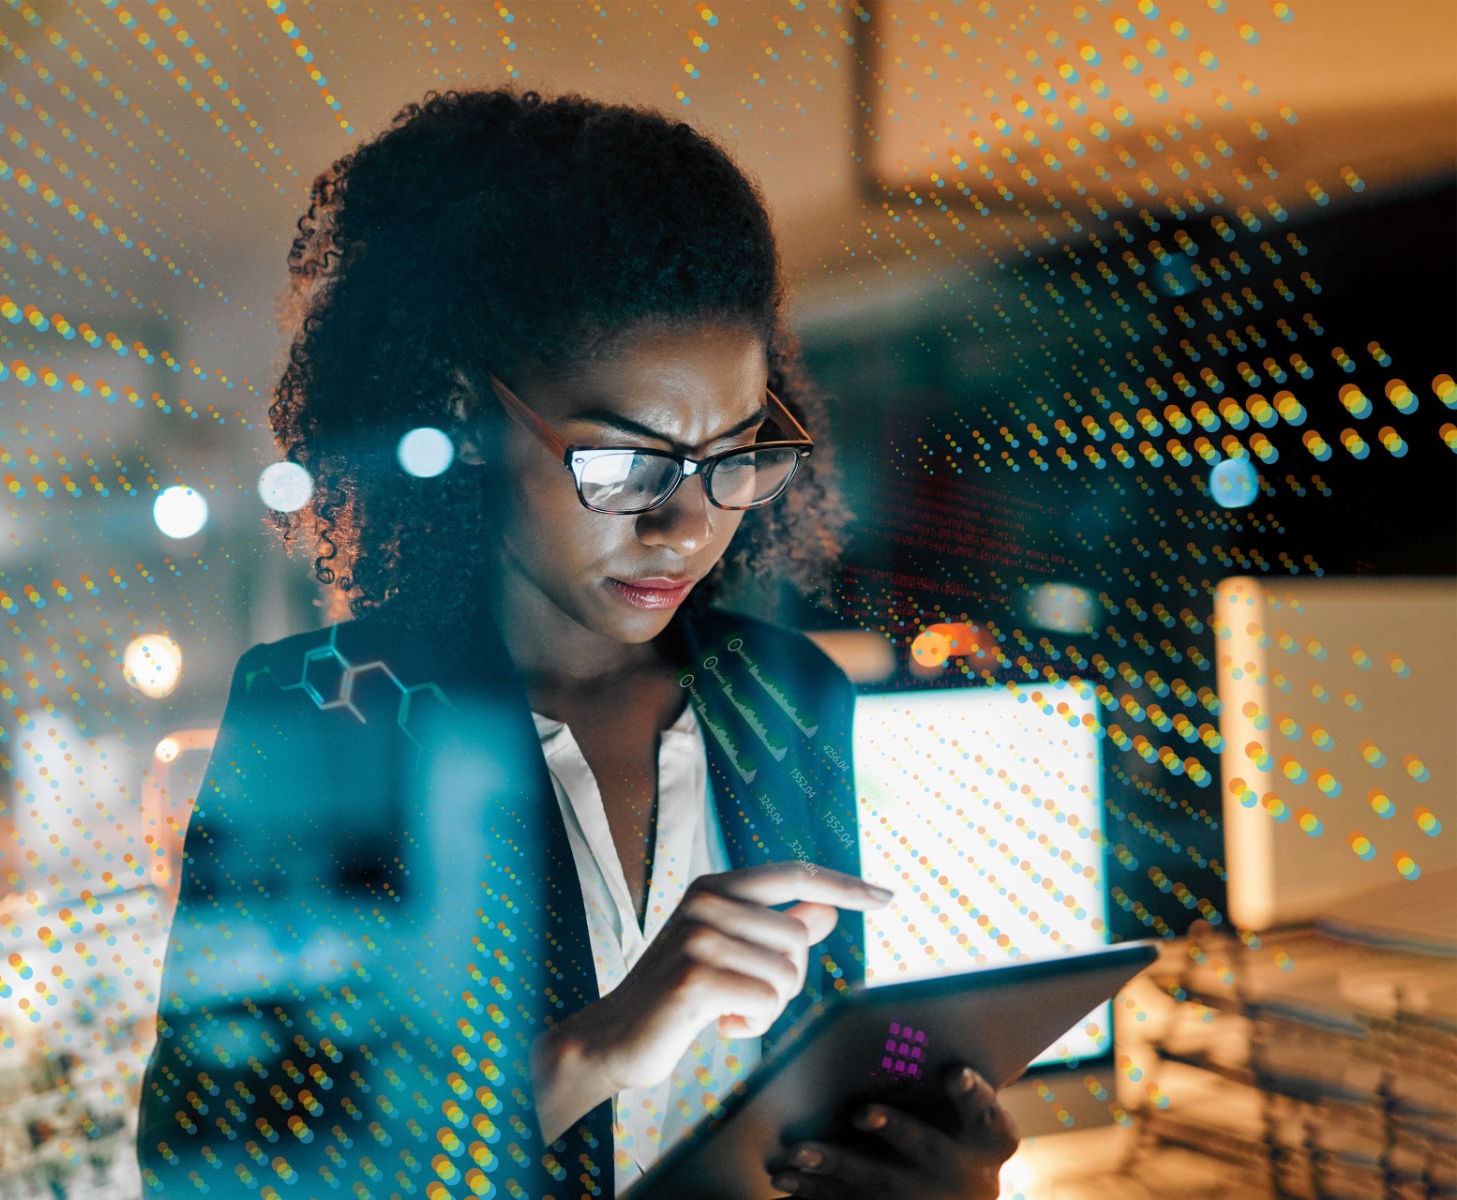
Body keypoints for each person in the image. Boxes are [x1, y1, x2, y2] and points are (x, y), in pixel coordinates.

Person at [135, 86, 1019, 1199]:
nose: (684, 524)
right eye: (626, 463)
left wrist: (923, 1157)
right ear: (466, 414)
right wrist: (590, 1054)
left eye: (736, 455)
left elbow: (835, 1059)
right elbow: (214, 1172)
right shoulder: (320, 722)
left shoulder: (787, 693)